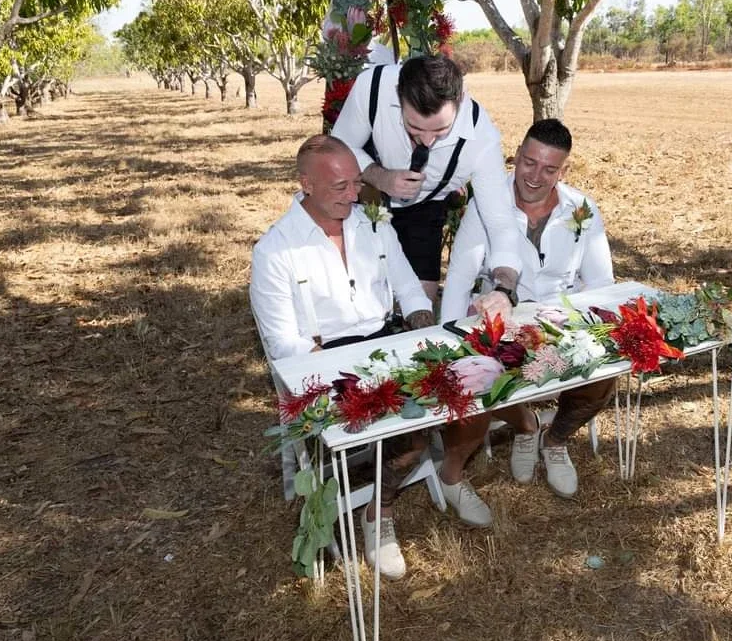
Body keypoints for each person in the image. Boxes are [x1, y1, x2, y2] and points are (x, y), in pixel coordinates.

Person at [250, 135, 493, 580]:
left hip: (387, 341)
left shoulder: (374, 223)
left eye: (357, 184)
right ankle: (378, 515)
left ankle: (452, 477)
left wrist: (427, 336)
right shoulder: (274, 250)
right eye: (339, 187)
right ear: (305, 183)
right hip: (324, 362)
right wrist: (354, 379)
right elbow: (284, 346)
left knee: (471, 390)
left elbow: (406, 289)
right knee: (414, 435)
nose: (354, 195)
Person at [440, 119, 616, 498]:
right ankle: (525, 425)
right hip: (502, 326)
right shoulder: (487, 204)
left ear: (563, 170)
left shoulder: (582, 208)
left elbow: (601, 285)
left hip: (563, 324)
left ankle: (556, 439)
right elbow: (459, 277)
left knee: (606, 375)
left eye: (549, 169)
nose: (535, 177)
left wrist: (594, 334)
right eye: (529, 163)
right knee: (480, 371)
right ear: (516, 157)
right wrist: (448, 346)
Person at [330, 55, 519, 318]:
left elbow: (500, 222)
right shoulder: (372, 86)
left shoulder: (481, 138)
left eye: (440, 130)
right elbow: (338, 148)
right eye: (414, 128)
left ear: (460, 99)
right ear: (399, 95)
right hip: (363, 199)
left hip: (425, 210)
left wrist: (504, 289)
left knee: (419, 310)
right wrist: (380, 177)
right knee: (356, 304)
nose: (427, 141)